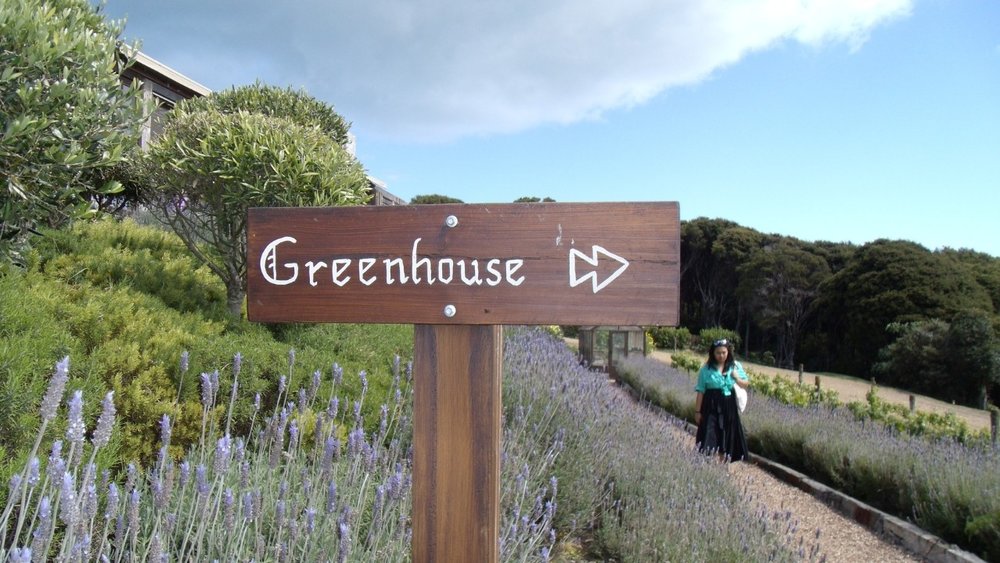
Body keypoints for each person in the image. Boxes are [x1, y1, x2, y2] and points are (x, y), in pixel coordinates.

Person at [694, 338, 749, 462]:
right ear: (713, 353)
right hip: (711, 404)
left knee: (727, 434)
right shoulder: (706, 369)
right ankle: (709, 464)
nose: (721, 355)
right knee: (711, 433)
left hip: (728, 406)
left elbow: (745, 384)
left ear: (728, 352)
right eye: (718, 353)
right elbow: (701, 391)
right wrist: (697, 412)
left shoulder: (735, 366)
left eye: (724, 352)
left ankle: (723, 465)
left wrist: (737, 378)